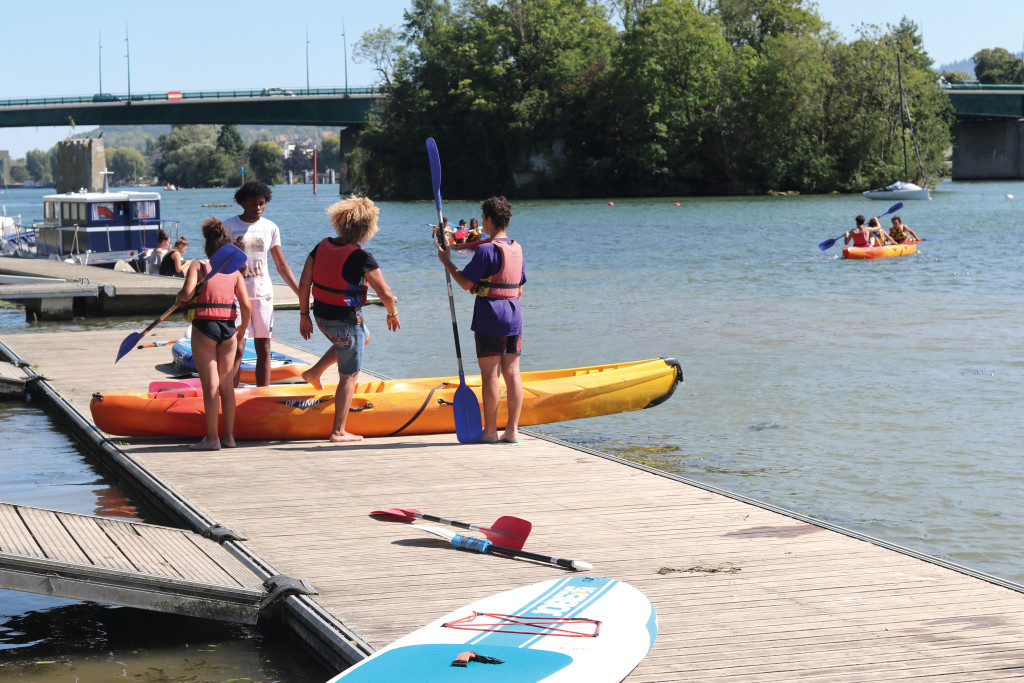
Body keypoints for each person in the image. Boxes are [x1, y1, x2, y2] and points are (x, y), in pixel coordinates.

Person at [298, 196, 400, 443]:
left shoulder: (321, 245)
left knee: (362, 337)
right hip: (345, 320)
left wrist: (303, 315)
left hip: (321, 316)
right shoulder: (361, 256)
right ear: (366, 227)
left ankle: (314, 372)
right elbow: (385, 293)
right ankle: (338, 431)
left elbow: (304, 282)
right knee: (349, 375)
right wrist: (392, 312)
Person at [437, 196, 524, 444]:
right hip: (514, 314)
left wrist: (447, 262)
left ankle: (489, 432)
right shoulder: (517, 248)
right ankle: (512, 430)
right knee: (513, 373)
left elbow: (465, 283)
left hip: (491, 315)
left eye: (482, 218)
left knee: (490, 375)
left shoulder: (486, 250)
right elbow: (519, 288)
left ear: (487, 219)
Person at [175, 218, 252, 451]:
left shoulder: (199, 266)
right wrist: (242, 329)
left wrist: (179, 297)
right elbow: (247, 307)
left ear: (207, 248)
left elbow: (187, 294)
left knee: (210, 386)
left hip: (205, 328)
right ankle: (229, 437)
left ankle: (212, 439)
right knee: (227, 386)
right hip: (229, 330)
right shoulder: (236, 273)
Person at [222, 181, 301, 386]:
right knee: (237, 347)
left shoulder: (270, 227)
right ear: (242, 203)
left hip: (263, 295)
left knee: (264, 349)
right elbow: (219, 263)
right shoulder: (229, 226)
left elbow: (282, 266)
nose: (257, 208)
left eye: (261, 203)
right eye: (252, 203)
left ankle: (262, 395)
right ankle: (232, 395)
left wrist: (301, 292)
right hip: (237, 296)